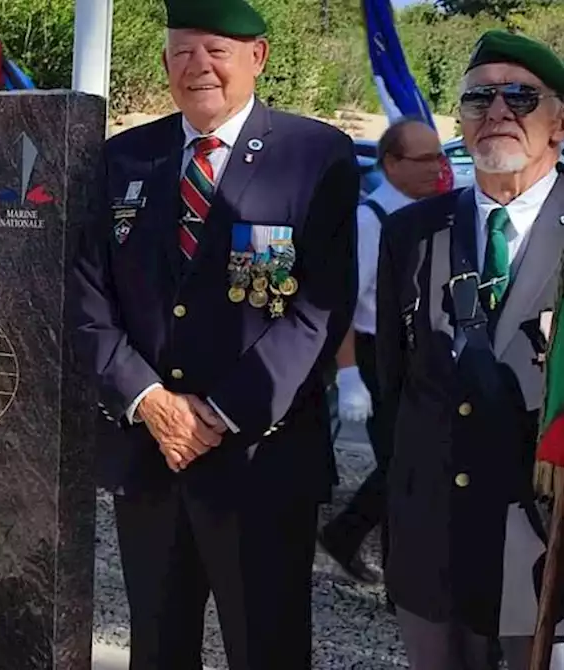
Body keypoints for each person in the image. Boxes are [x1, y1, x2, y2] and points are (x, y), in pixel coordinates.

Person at [67, 0, 358, 667]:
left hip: (261, 464)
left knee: (267, 650)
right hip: (152, 457)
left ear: (257, 56)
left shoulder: (314, 156)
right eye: (182, 51)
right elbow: (87, 295)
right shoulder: (123, 159)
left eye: (216, 50)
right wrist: (148, 399)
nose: (198, 66)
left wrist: (220, 413)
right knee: (158, 650)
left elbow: (317, 309)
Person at [377, 30, 565, 669]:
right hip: (434, 545)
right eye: (480, 99)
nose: (499, 113)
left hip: (544, 549)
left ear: (559, 122)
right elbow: (393, 389)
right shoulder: (411, 232)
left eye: (521, 97)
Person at [320, 117, 445, 586]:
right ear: (391, 163)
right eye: (425, 159)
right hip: (376, 355)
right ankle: (396, 577)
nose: (438, 168)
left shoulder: (428, 213)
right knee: (401, 467)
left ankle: (348, 537)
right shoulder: (370, 222)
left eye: (439, 156)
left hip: (418, 352)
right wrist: (350, 374)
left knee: (414, 464)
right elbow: (345, 305)